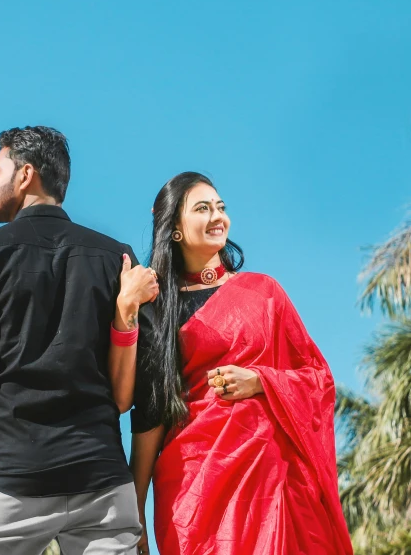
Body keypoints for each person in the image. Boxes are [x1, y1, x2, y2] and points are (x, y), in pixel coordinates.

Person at [0, 126, 159, 555]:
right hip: (102, 483)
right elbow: (125, 397)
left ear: (25, 175)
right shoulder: (119, 257)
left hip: (7, 481)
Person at [117, 172, 353, 555]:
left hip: (271, 479)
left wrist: (261, 380)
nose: (217, 217)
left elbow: (318, 378)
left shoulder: (264, 292)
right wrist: (135, 511)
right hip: (194, 487)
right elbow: (150, 412)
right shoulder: (157, 306)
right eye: (203, 208)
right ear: (174, 228)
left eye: (221, 207)